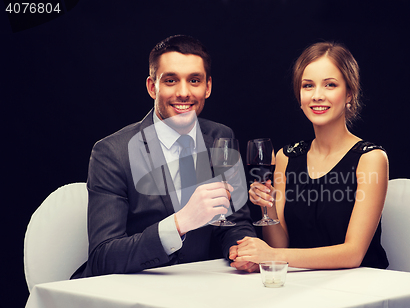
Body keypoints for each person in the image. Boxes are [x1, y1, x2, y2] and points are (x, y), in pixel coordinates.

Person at [72, 35, 258, 279]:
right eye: (170, 80)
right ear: (152, 87)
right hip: (129, 298)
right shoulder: (112, 152)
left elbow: (235, 222)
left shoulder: (221, 137)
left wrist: (240, 249)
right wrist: (180, 223)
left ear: (208, 87)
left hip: (200, 291)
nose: (183, 93)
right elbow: (103, 257)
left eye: (194, 80)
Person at [233, 41, 389, 269]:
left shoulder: (370, 158)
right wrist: (267, 206)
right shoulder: (286, 157)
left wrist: (270, 255)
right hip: (303, 285)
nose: (317, 95)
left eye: (330, 85)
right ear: (300, 96)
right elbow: (280, 245)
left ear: (349, 94)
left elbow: (353, 254)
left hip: (360, 288)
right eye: (308, 86)